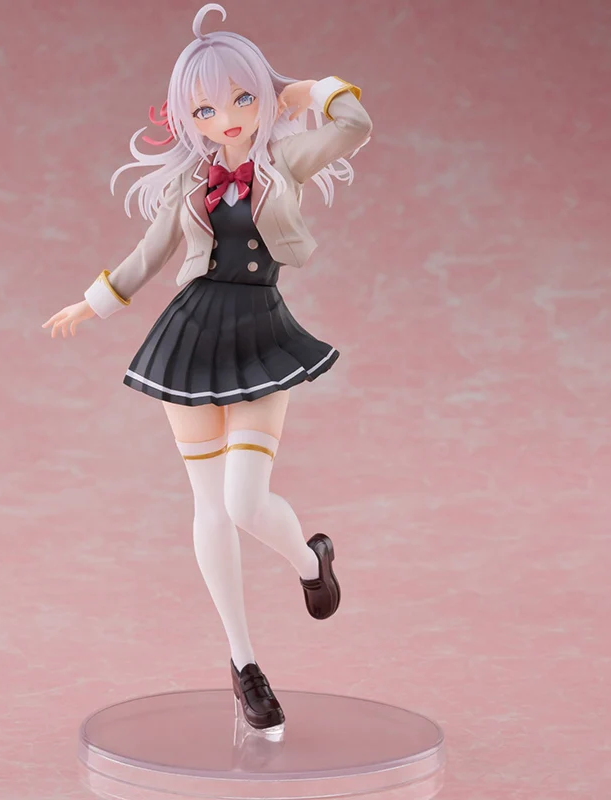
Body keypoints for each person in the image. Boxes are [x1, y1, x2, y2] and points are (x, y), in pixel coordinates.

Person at [42, 2, 372, 733]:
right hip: (190, 336)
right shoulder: (189, 186)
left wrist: (309, 90)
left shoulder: (283, 162)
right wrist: (90, 305)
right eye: (206, 109)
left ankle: (309, 560)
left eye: (243, 98)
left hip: (261, 333)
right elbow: (147, 254)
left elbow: (355, 126)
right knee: (210, 507)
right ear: (186, 117)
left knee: (247, 502)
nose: (227, 119)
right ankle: (244, 664)